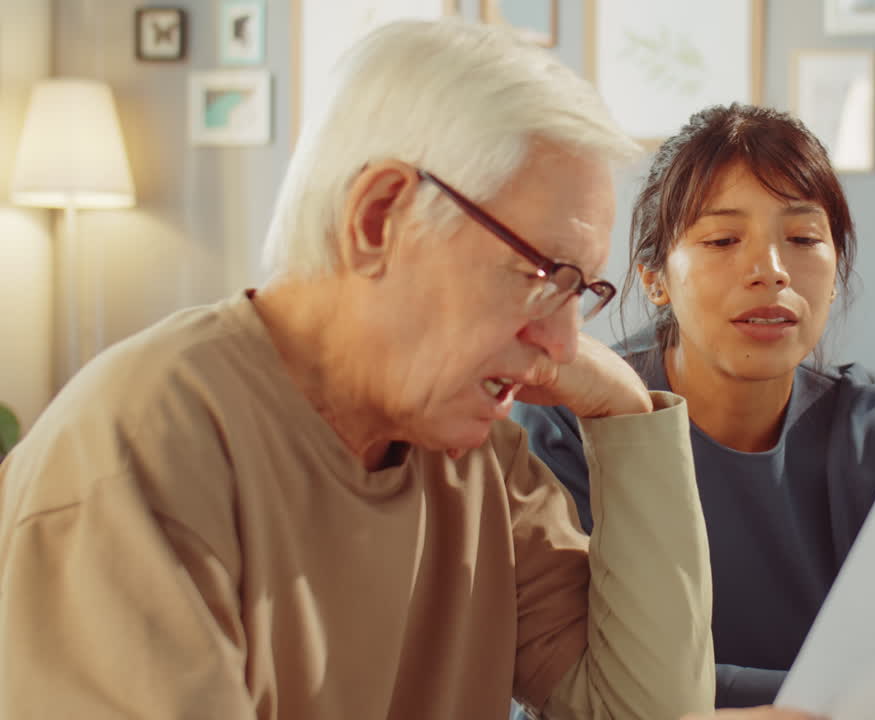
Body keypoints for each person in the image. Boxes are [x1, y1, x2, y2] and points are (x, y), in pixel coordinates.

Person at [0, 21, 716, 719]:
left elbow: (641, 710)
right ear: (379, 218)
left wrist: (627, 413)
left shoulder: (481, 459)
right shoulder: (142, 454)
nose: (562, 344)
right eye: (541, 274)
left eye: (582, 290)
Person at [512, 104, 875, 716]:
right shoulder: (572, 420)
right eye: (723, 240)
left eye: (804, 239)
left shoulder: (866, 424)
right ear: (655, 278)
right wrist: (868, 705)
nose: (770, 271)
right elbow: (590, 681)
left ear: (836, 271)